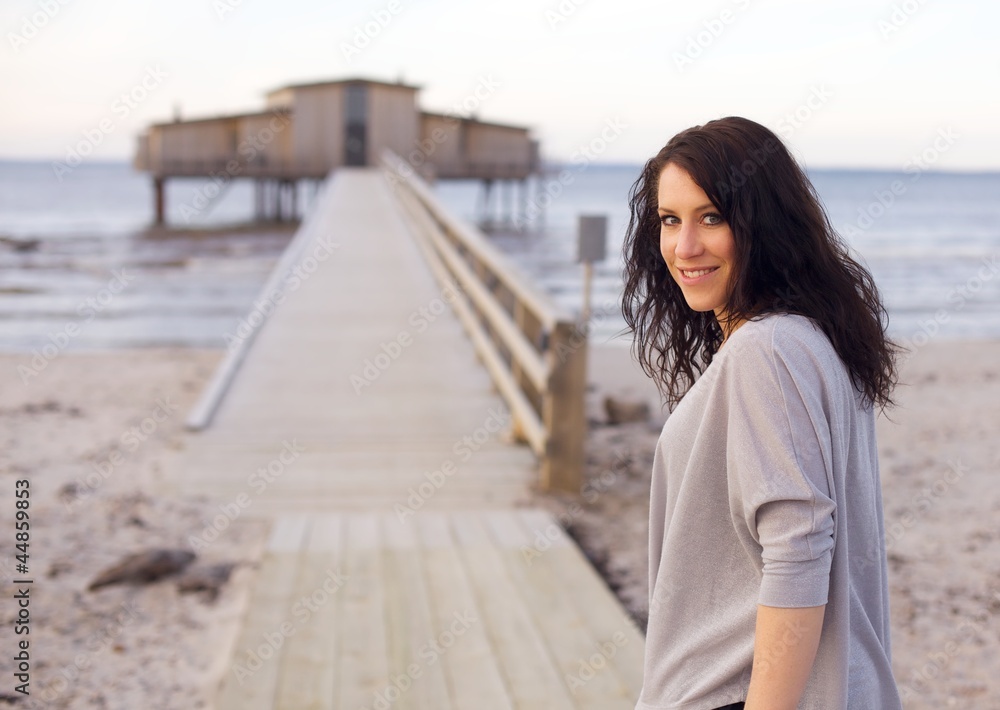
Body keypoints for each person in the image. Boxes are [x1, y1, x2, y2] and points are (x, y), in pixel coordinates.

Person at [621, 116, 904, 710]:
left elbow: (797, 550)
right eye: (670, 221)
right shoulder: (809, 339)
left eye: (711, 218)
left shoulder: (766, 349)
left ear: (761, 224)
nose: (684, 247)